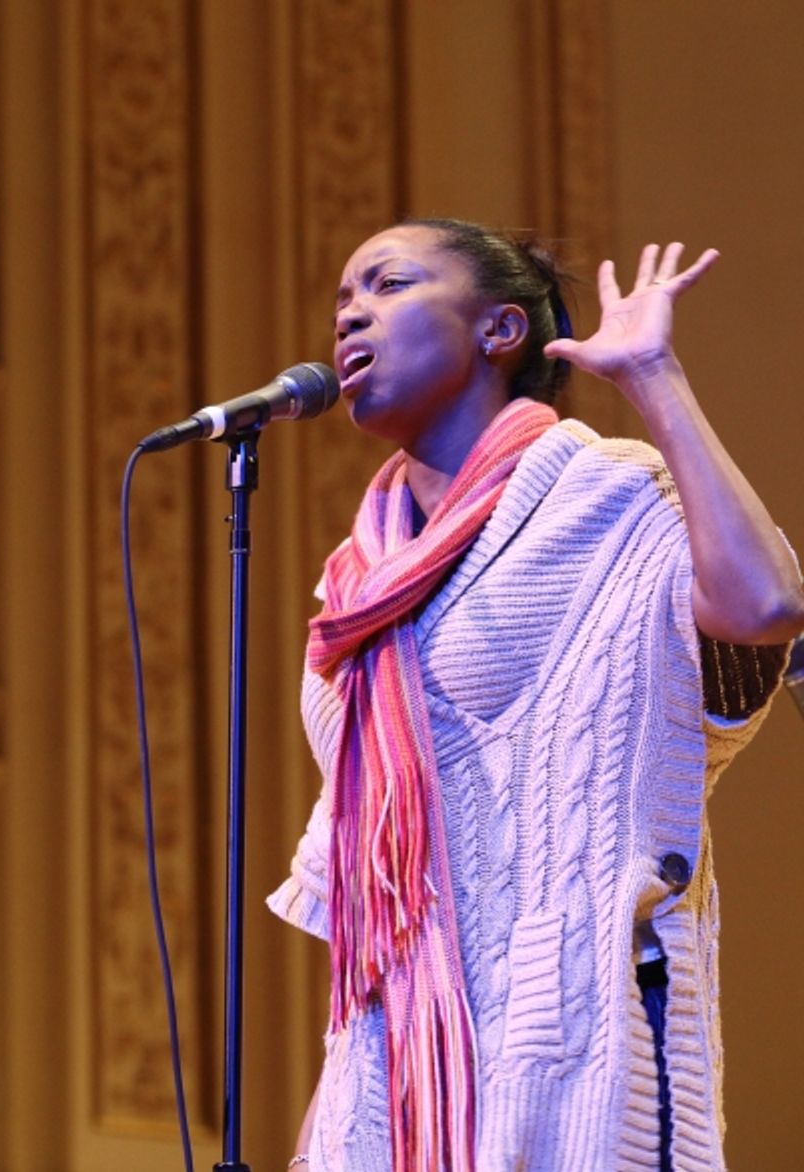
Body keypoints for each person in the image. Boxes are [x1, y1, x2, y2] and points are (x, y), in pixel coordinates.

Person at [267, 218, 804, 1172]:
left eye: (388, 286)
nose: (350, 317)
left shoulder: (603, 499)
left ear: (499, 330)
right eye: (343, 301)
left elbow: (764, 604)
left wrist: (652, 378)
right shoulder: (355, 590)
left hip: (573, 1048)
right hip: (399, 1087)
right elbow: (376, 921)